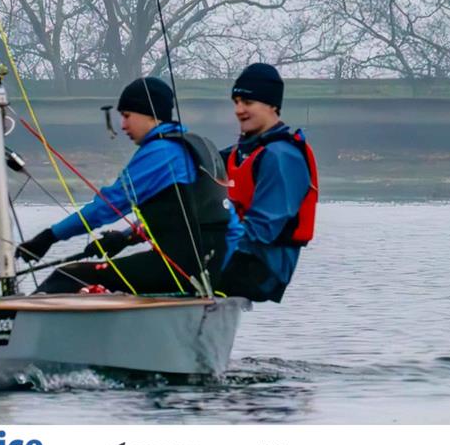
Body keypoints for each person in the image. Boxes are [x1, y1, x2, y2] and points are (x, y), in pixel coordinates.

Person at [16, 76, 241, 295]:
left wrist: (49, 237)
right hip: (206, 269)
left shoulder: (160, 153)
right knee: (99, 281)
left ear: (148, 114)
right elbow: (188, 218)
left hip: (179, 270)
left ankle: (17, 326)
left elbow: (106, 207)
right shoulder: (195, 147)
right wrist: (124, 238)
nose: (122, 125)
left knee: (68, 276)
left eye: (126, 115)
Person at [217, 63, 318, 302]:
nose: (239, 109)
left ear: (273, 105)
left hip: (264, 269)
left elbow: (261, 230)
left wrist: (205, 253)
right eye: (236, 102)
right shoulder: (237, 154)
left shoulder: (282, 157)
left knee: (167, 271)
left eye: (248, 102)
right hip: (239, 256)